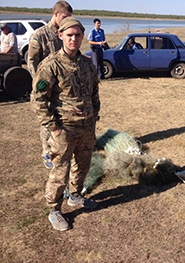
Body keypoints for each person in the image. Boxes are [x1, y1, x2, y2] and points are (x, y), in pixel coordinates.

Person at [31, 17, 101, 231]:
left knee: (83, 166)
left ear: (82, 37)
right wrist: (54, 127)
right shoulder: (51, 65)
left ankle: (76, 196)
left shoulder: (88, 63)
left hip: (86, 128)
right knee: (59, 172)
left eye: (77, 35)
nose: (73, 39)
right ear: (60, 35)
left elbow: (94, 92)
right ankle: (54, 210)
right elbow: (38, 99)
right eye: (69, 35)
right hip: (63, 130)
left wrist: (94, 115)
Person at [27, 0, 73, 169]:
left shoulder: (64, 34)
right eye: (65, 17)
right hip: (46, 87)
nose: (67, 21)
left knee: (63, 119)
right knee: (47, 121)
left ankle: (62, 148)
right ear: (56, 14)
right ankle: (47, 152)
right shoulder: (40, 35)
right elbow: (32, 61)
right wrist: (39, 85)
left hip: (63, 88)